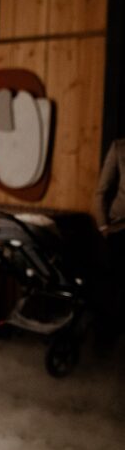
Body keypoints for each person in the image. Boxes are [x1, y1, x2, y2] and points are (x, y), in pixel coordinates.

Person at [92, 137, 125, 350]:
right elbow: (101, 192)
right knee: (110, 283)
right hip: (119, 227)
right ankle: (105, 337)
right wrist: (103, 226)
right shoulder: (119, 148)